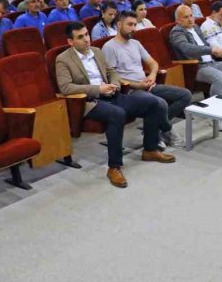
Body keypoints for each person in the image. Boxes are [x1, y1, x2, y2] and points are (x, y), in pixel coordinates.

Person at [54, 21, 175, 188]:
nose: (86, 39)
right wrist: (98, 89)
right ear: (70, 41)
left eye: (87, 34)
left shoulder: (96, 51)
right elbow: (66, 87)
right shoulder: (63, 59)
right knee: (117, 114)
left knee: (153, 103)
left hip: (112, 94)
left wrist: (115, 84)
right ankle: (114, 167)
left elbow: (111, 72)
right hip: (90, 101)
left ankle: (150, 149)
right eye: (80, 37)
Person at [102, 11, 192, 147]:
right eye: (130, 24)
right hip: (129, 90)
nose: (133, 28)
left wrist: (152, 76)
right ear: (119, 25)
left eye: (135, 25)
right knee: (160, 103)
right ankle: (165, 130)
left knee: (185, 95)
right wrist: (137, 85)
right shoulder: (109, 47)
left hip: (147, 85)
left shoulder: (135, 43)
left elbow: (153, 63)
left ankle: (155, 127)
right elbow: (112, 76)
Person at [168, 4, 222, 120]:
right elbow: (188, 49)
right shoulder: (176, 32)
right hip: (196, 67)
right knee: (219, 76)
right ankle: (216, 117)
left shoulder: (196, 27)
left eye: (191, 15)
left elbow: (206, 44)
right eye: (186, 17)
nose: (190, 19)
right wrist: (211, 50)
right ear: (178, 20)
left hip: (212, 62)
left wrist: (220, 50)